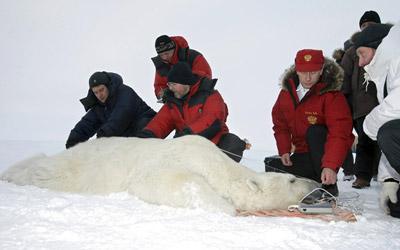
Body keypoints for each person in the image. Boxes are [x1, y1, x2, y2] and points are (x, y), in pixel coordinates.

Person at [264, 49, 354, 196]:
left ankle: (328, 187)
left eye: (313, 72)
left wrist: (330, 166)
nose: (308, 77)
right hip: (303, 154)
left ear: (321, 70)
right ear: (296, 70)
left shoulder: (332, 95)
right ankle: (312, 180)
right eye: (304, 72)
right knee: (272, 166)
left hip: (326, 155)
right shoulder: (286, 93)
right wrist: (285, 149)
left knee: (315, 131)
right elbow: (280, 125)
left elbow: (339, 133)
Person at [138, 62, 247, 162]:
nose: (170, 88)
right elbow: (161, 122)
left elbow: (213, 119)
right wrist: (146, 136)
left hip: (213, 142)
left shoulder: (210, 95)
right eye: (169, 85)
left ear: (186, 83)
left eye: (174, 84)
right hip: (185, 146)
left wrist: (187, 134)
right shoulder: (172, 102)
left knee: (232, 143)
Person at [352, 22, 400, 218]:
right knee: (396, 207)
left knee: (387, 132)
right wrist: (389, 179)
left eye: (362, 54)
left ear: (378, 47)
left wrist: (368, 124)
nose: (361, 63)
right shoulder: (386, 76)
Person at [340, 10, 382, 188]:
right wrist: (344, 102)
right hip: (360, 105)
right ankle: (362, 176)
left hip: (382, 102)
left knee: (383, 140)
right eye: (364, 25)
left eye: (371, 25)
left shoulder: (386, 47)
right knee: (364, 140)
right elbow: (344, 78)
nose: (367, 28)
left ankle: (380, 174)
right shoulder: (352, 51)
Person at [66, 71, 156, 148]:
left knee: (142, 125)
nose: (99, 95)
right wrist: (72, 145)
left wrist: (101, 138)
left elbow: (120, 118)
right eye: (96, 92)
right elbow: (86, 124)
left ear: (108, 86)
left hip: (148, 129)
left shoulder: (125, 92)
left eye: (101, 90)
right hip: (127, 138)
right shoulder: (99, 106)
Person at [151, 35, 212, 100]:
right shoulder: (161, 65)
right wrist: (163, 94)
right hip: (176, 104)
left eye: (167, 53)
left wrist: (184, 87)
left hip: (199, 99)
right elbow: (159, 86)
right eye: (161, 55)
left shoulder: (193, 57)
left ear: (174, 49)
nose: (165, 57)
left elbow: (206, 77)